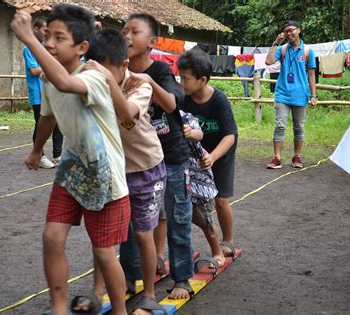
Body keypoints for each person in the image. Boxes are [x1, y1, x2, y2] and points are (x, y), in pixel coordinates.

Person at [11, 5, 130, 315]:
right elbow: (48, 118)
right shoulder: (50, 81)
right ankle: (59, 308)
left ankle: (119, 311)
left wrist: (28, 39)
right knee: (51, 238)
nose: (49, 42)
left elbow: (66, 84)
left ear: (82, 47)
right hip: (72, 169)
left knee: (104, 252)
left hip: (105, 175)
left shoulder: (92, 77)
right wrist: (37, 149)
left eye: (59, 37)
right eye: (46, 35)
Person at [72, 28, 167, 314]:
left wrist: (102, 76)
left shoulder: (141, 85)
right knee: (103, 236)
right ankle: (98, 290)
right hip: (111, 169)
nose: (98, 78)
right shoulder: (90, 83)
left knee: (142, 234)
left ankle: (148, 293)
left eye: (105, 72)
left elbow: (126, 113)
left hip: (145, 168)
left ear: (124, 65)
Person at [122, 13, 194, 300]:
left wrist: (145, 81)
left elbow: (174, 103)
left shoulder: (161, 71)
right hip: (135, 161)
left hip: (172, 157)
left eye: (134, 31)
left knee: (177, 218)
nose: (126, 36)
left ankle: (182, 279)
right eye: (124, 31)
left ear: (152, 41)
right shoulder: (118, 70)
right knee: (127, 222)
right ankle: (130, 277)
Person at [178, 51, 238, 262]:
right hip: (195, 155)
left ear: (202, 80)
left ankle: (228, 240)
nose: (181, 82)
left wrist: (212, 157)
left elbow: (230, 136)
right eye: (180, 77)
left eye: (185, 78)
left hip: (220, 152)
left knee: (220, 199)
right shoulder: (182, 99)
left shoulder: (219, 100)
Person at [265, 20, 317, 169]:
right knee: (280, 126)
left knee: (299, 127)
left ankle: (297, 157)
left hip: (301, 95)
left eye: (291, 30)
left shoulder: (307, 51)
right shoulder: (282, 49)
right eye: (286, 31)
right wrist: (276, 42)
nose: (289, 33)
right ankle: (277, 158)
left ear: (299, 30)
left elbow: (312, 75)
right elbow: (268, 61)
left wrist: (313, 96)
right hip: (282, 93)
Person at [22, 16, 61, 169]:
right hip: (38, 93)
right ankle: (40, 155)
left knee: (58, 124)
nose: (47, 34)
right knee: (40, 124)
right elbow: (33, 70)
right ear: (36, 29)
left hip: (53, 90)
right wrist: (51, 69)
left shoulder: (49, 47)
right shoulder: (29, 48)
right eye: (45, 30)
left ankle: (58, 155)